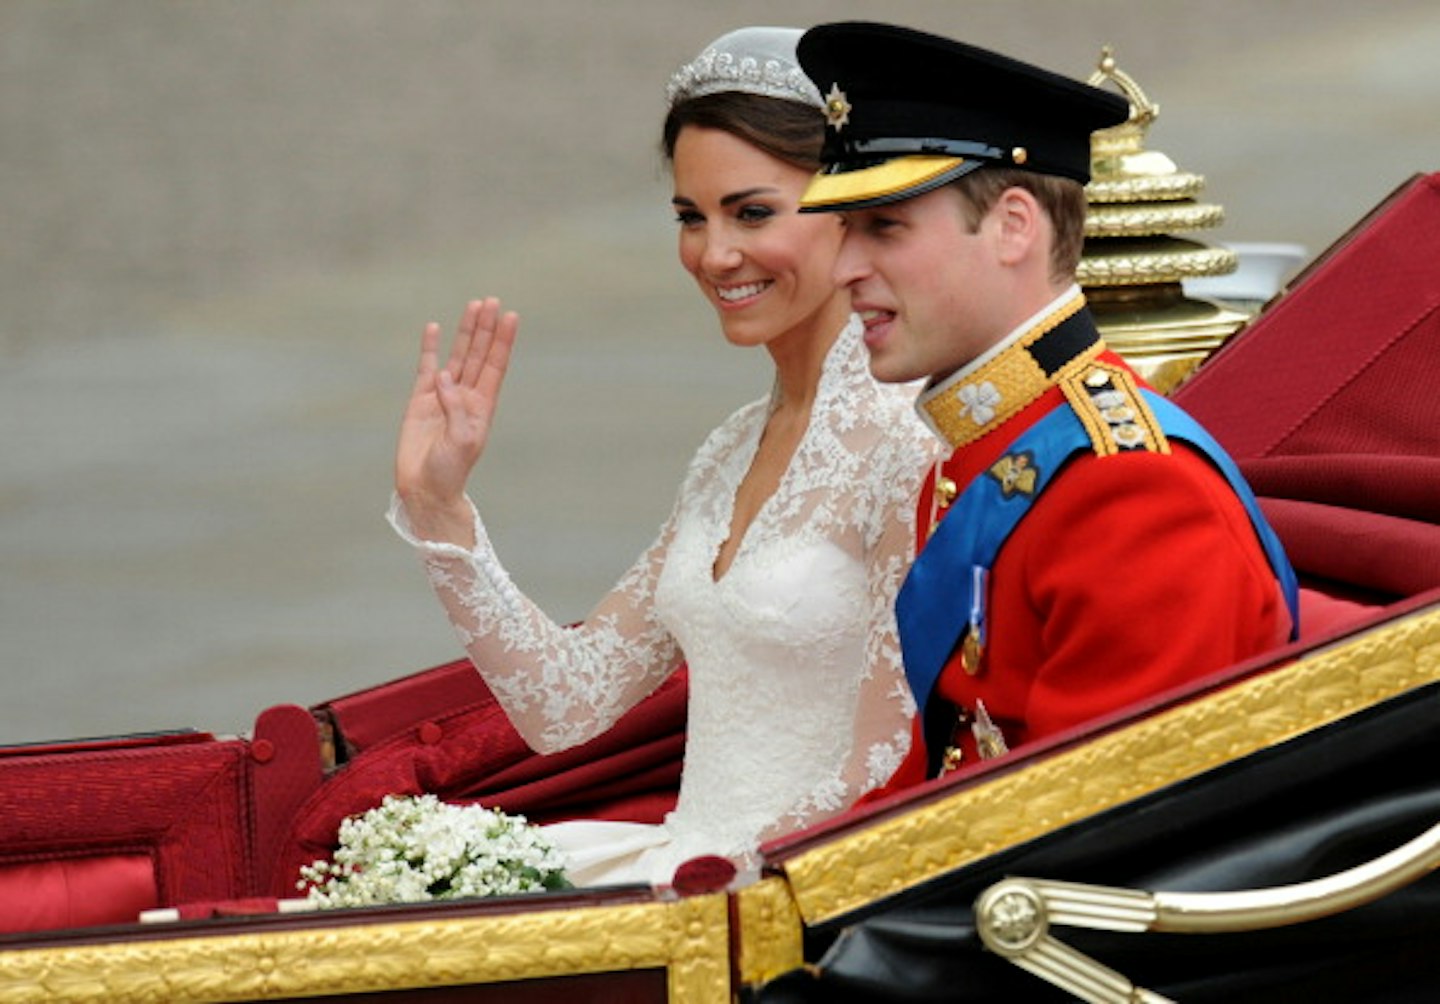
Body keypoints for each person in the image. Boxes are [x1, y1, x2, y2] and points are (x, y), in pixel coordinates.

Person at [388, 26, 939, 885]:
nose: (714, 255)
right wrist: (439, 514)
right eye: (691, 217)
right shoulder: (728, 450)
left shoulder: (907, 441)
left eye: (752, 212)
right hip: (690, 878)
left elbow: (887, 764)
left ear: (847, 208)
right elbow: (567, 704)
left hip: (793, 901)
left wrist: (711, 888)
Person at [793, 22, 1300, 785]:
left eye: (884, 227)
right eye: (842, 231)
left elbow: (1104, 834)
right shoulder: (987, 447)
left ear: (1013, 226)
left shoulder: (1129, 491)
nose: (843, 268)